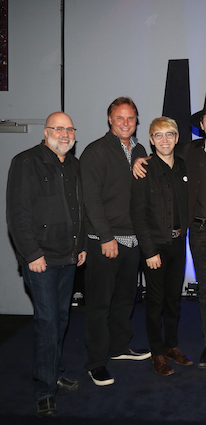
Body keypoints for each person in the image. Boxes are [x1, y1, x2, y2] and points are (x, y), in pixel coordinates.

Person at [133, 101, 206, 371]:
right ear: (201, 126)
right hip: (199, 231)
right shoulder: (187, 151)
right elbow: (161, 152)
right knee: (205, 291)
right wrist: (140, 160)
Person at [6, 112, 85, 417]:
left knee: (61, 320)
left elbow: (78, 209)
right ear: (46, 131)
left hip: (68, 257)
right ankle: (44, 390)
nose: (64, 134)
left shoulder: (74, 165)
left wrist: (80, 248)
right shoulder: (26, 162)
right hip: (40, 260)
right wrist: (31, 254)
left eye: (69, 129)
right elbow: (18, 213)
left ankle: (55, 372)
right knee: (47, 321)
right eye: (58, 129)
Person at [80, 97, 150, 387]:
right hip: (105, 242)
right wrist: (106, 237)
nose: (125, 123)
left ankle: (119, 347)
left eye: (130, 118)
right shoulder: (95, 151)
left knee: (124, 300)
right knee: (99, 304)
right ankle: (96, 363)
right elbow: (90, 199)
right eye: (120, 118)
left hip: (132, 241)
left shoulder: (140, 149)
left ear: (136, 121)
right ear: (110, 119)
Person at [130, 117, 193, 376]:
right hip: (155, 246)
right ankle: (156, 353)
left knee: (173, 300)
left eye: (170, 135)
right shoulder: (143, 169)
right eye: (159, 135)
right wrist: (149, 251)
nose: (165, 140)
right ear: (151, 139)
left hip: (179, 243)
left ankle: (171, 346)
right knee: (154, 302)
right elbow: (138, 214)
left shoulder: (183, 167)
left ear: (177, 138)